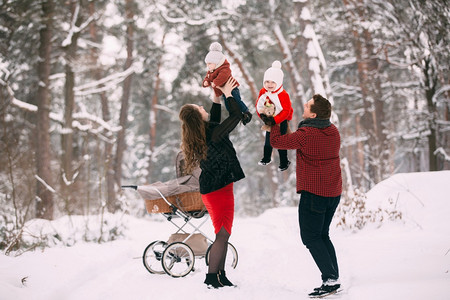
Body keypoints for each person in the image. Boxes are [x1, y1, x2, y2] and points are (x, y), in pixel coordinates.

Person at [265, 94, 343, 298]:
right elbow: (296, 139)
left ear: (314, 114)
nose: (304, 107)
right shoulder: (333, 131)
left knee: (310, 237)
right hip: (333, 192)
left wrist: (273, 121)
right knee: (322, 235)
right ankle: (333, 277)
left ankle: (330, 279)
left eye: (308, 106)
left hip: (314, 194)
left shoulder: (307, 134)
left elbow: (277, 142)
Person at [179, 78, 245, 289]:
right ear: (198, 118)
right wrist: (227, 93)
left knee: (224, 233)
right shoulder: (211, 134)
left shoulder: (207, 131)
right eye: (199, 108)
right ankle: (211, 277)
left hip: (218, 188)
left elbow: (215, 119)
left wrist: (216, 97)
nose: (203, 107)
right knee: (222, 234)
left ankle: (220, 275)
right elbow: (235, 116)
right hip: (217, 190)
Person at [203, 42, 252, 125]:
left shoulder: (224, 68)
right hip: (224, 91)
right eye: (207, 64)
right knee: (228, 105)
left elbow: (223, 76)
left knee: (237, 101)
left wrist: (215, 82)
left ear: (217, 62)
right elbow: (208, 76)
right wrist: (206, 81)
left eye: (210, 64)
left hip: (232, 89)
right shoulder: (211, 70)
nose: (208, 66)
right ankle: (238, 115)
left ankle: (246, 112)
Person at [256, 60, 293, 171]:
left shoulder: (283, 94)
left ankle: (284, 161)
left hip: (281, 120)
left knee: (280, 141)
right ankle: (266, 158)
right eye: (267, 82)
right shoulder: (263, 91)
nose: (269, 85)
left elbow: (286, 111)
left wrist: (275, 120)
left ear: (278, 82)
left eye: (273, 82)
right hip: (269, 119)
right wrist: (263, 117)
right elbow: (259, 105)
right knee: (269, 140)